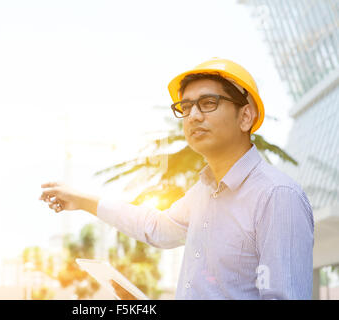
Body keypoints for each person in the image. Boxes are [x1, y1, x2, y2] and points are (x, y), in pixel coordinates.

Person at [39, 58, 314, 300]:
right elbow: (155, 227)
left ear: (245, 117)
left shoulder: (277, 196)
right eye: (186, 107)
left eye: (208, 103)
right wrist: (83, 200)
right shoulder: (203, 193)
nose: (193, 116)